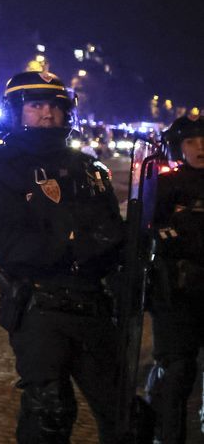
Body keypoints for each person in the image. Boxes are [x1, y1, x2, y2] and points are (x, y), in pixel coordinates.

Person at [0, 70, 125, 444]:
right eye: (36, 105)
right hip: (40, 306)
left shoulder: (90, 170)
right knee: (50, 412)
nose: (47, 114)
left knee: (125, 414)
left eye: (55, 106)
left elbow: (112, 234)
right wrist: (79, 245)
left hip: (94, 305)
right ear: (16, 112)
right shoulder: (1, 169)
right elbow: (10, 245)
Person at [146, 112, 204, 444]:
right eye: (191, 142)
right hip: (176, 296)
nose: (200, 148)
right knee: (176, 373)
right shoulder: (166, 184)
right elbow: (146, 232)